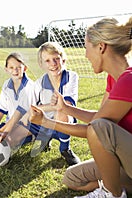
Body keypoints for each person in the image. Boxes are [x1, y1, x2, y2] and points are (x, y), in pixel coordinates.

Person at [27, 17, 132, 197]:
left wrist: (45, 122)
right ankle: (121, 185)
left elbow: (95, 129)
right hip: (123, 157)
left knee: (97, 129)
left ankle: (113, 193)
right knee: (72, 178)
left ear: (101, 47)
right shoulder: (113, 79)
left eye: (86, 47)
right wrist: (67, 108)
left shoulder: (128, 80)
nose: (85, 55)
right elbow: (100, 117)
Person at [0, 42, 81, 166]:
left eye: (56, 59)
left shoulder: (71, 77)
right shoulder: (39, 83)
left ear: (63, 59)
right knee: (9, 140)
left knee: (61, 112)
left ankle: (65, 149)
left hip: (62, 123)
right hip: (40, 122)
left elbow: (66, 105)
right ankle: (43, 137)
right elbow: (25, 108)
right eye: (47, 61)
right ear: (41, 65)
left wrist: (43, 107)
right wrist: (5, 129)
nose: (53, 64)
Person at [0, 52, 36, 148]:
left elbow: (20, 114)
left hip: (27, 124)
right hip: (10, 122)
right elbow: (1, 110)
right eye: (11, 67)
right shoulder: (6, 85)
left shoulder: (29, 87)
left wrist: (1, 131)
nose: (15, 70)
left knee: (7, 141)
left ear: (25, 68)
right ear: (6, 69)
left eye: (18, 67)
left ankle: (33, 136)